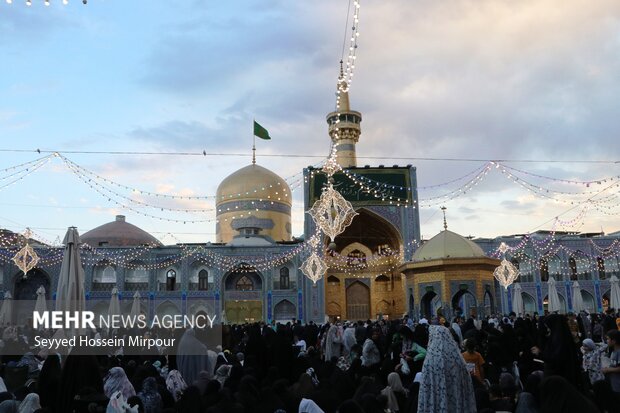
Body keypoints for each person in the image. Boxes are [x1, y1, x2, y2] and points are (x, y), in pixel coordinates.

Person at [417, 325, 476, 413]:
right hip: (455, 401)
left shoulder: (430, 360)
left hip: (436, 403)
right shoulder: (457, 358)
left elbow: (426, 387)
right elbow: (466, 378)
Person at [601, 329, 620, 394]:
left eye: (608, 339)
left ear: (614, 341)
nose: (607, 341)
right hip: (614, 383)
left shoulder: (619, 352)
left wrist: (608, 370)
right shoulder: (613, 352)